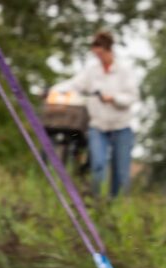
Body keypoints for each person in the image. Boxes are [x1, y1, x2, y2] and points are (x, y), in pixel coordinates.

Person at [55, 30, 139, 198]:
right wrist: (53, 90)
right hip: (98, 126)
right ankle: (95, 202)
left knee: (121, 174)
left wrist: (113, 98)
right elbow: (74, 85)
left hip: (121, 126)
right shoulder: (91, 71)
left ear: (109, 50)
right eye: (96, 54)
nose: (98, 57)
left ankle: (115, 205)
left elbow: (132, 97)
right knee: (98, 165)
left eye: (101, 54)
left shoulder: (124, 70)